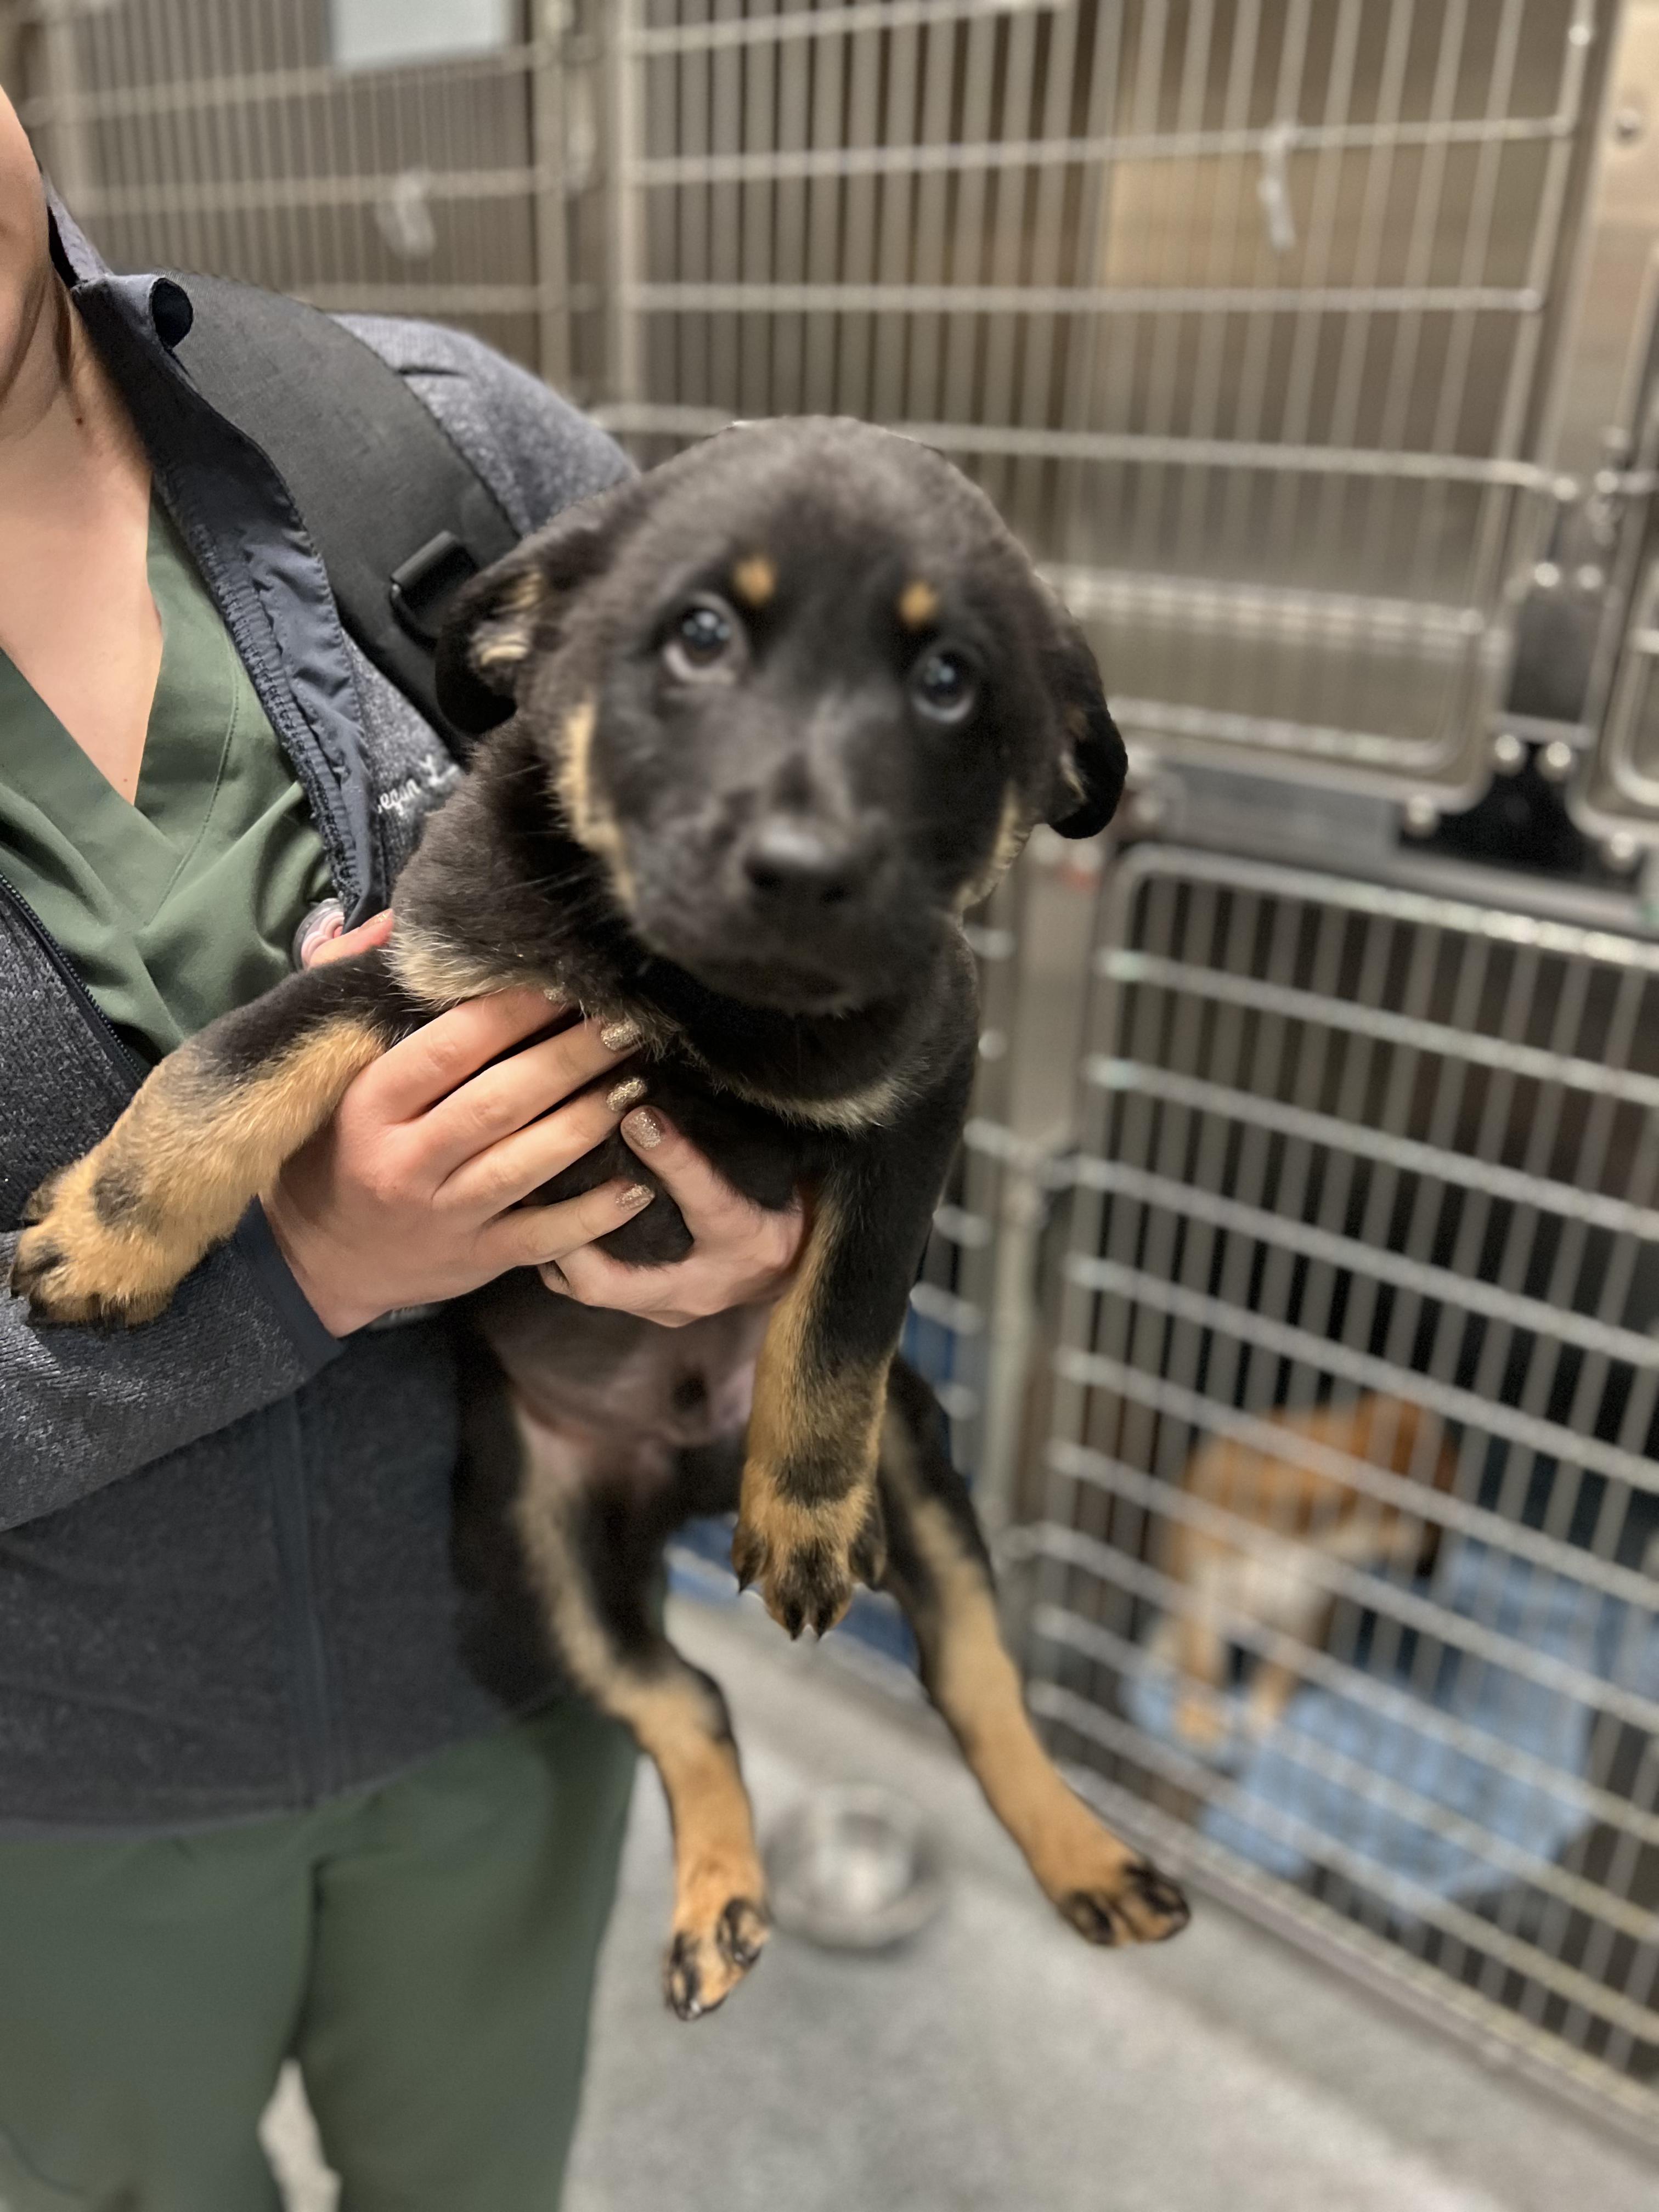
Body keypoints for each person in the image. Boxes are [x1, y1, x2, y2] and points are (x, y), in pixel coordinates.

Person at [0, 92, 800, 2212]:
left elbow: (825, 919)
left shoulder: (427, 451)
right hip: (50, 1795)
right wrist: (312, 1261)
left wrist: (759, 1227)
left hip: (507, 1685)